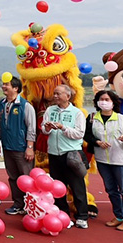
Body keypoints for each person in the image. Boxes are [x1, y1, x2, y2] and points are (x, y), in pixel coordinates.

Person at [85, 89, 123, 231]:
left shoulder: (122, 119)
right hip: (102, 160)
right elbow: (87, 135)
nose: (104, 102)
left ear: (113, 102)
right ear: (97, 102)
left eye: (107, 100)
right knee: (111, 190)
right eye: (101, 99)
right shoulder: (92, 118)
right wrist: (97, 142)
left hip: (120, 160)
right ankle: (119, 216)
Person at [41, 84, 89, 229]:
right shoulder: (50, 110)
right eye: (54, 94)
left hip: (71, 154)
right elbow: (43, 129)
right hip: (54, 153)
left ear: (68, 96)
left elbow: (79, 134)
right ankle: (63, 215)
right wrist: (47, 128)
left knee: (77, 186)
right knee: (58, 186)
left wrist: (63, 128)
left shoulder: (77, 113)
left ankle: (82, 217)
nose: (55, 96)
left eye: (58, 94)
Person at [0, 77, 36, 215]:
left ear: (16, 88)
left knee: (26, 178)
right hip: (7, 147)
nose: (3, 86)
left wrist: (29, 147)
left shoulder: (25, 105)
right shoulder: (1, 104)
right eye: (3, 84)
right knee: (13, 177)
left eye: (7, 85)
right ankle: (18, 204)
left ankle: (31, 206)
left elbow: (31, 128)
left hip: (22, 148)